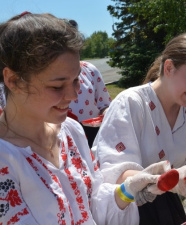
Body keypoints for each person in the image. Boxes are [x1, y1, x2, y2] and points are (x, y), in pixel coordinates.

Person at [0, 12, 169, 225]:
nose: (73, 95)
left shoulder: (71, 131)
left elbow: (92, 207)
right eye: (57, 86)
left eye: (76, 80)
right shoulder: (5, 157)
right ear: (14, 81)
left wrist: (129, 189)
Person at [92, 31, 186, 225]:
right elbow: (116, 176)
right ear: (169, 67)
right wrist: (174, 181)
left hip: (168, 208)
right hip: (128, 211)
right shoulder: (131, 103)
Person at [68, 60, 111, 148]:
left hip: (92, 131)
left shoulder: (89, 69)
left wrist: (108, 114)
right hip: (63, 133)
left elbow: (104, 104)